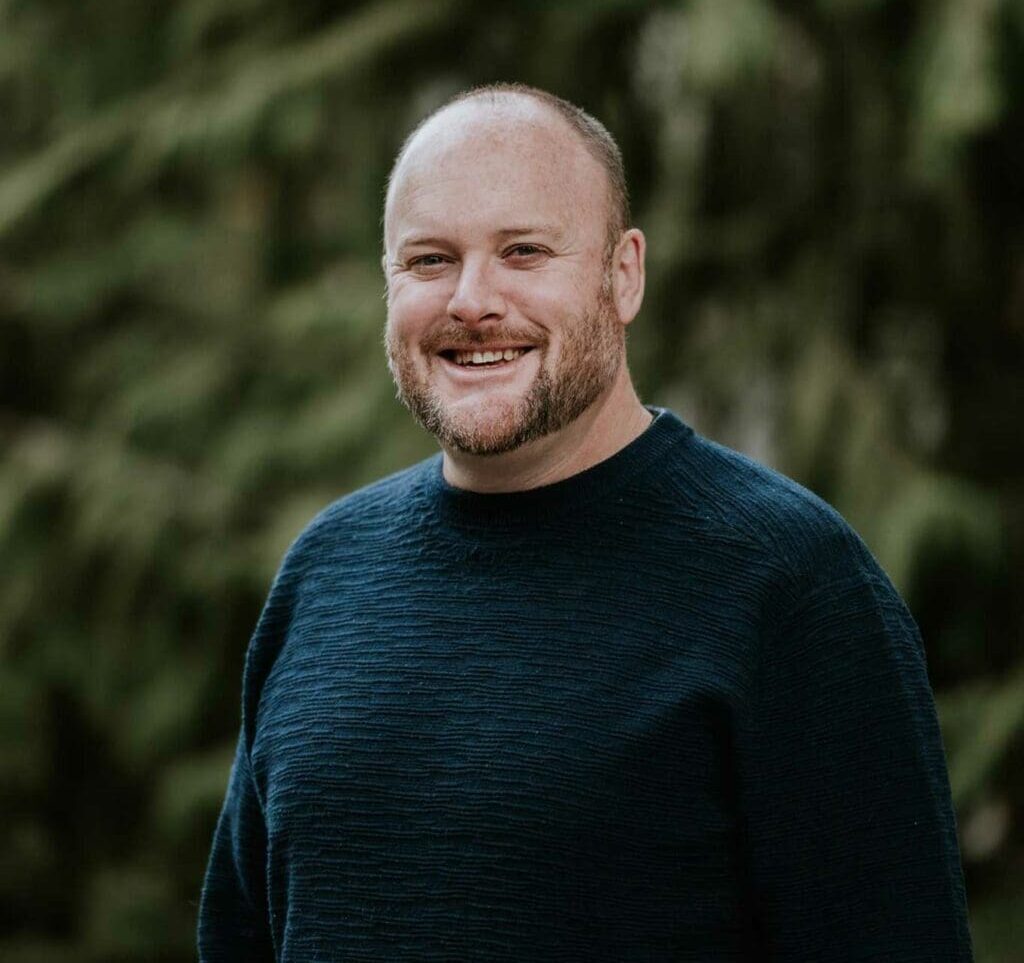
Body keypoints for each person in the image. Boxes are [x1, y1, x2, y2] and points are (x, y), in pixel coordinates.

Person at [198, 83, 973, 961]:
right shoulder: (325, 573)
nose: (471, 301)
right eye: (427, 261)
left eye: (524, 251)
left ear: (623, 273)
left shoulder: (789, 582)